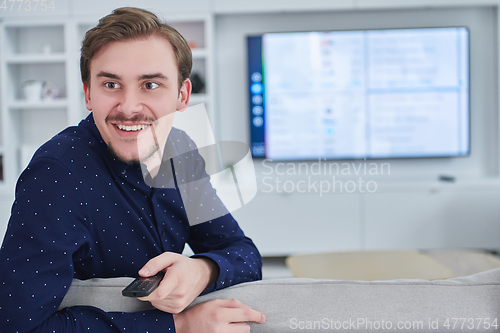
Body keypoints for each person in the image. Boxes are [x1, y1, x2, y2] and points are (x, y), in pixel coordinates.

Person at [0, 7, 265, 333]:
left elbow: (244, 253)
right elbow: (18, 325)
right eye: (111, 84)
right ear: (88, 94)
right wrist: (178, 325)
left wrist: (203, 270)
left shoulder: (181, 150)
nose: (128, 107)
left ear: (182, 95)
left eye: (150, 85)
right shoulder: (56, 175)